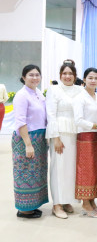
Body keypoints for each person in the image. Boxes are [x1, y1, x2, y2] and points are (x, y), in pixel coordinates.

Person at [46, 63, 83, 219]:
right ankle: (57, 204)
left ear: (74, 75)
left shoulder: (80, 90)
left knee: (72, 170)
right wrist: (56, 138)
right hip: (60, 133)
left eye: (70, 73)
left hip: (75, 134)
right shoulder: (54, 90)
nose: (67, 76)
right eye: (64, 73)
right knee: (58, 169)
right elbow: (50, 114)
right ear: (60, 75)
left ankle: (67, 200)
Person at [12, 65, 48, 218]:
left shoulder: (37, 92)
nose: (35, 78)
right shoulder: (22, 95)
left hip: (39, 138)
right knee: (25, 173)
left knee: (37, 173)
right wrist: (28, 144)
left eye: (37, 75)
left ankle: (32, 204)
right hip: (26, 138)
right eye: (31, 75)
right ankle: (24, 209)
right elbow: (20, 121)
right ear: (24, 77)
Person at [73, 68, 97, 218]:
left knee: (96, 170)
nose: (93, 80)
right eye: (90, 77)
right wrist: (96, 126)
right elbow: (78, 120)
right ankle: (85, 204)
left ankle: (92, 202)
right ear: (84, 79)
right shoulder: (80, 97)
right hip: (86, 137)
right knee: (86, 171)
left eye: (96, 78)